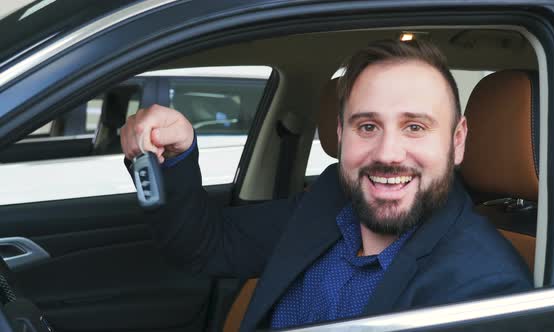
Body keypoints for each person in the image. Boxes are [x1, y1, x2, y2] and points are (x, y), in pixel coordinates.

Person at [121, 39, 532, 331]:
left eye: (415, 127)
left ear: (457, 141)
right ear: (340, 135)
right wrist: (175, 155)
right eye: (367, 126)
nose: (388, 152)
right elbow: (205, 245)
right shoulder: (330, 199)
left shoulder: (483, 290)